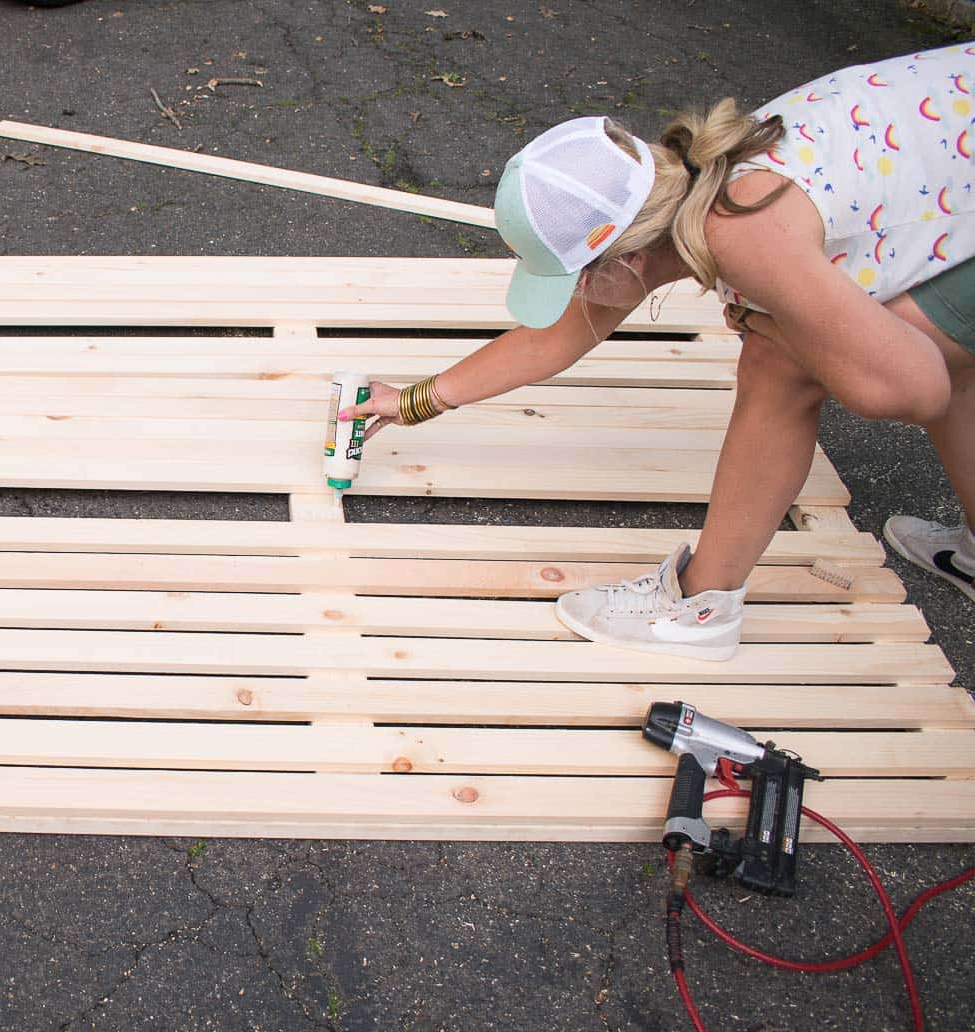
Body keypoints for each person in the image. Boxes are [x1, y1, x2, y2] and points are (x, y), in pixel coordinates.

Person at [340, 42, 974, 661]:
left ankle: (700, 608)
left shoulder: (745, 229)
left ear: (631, 259)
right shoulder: (667, 198)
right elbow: (558, 336)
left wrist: (776, 325)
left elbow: (912, 390)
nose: (577, 296)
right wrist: (418, 399)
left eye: (576, 277)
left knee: (781, 366)